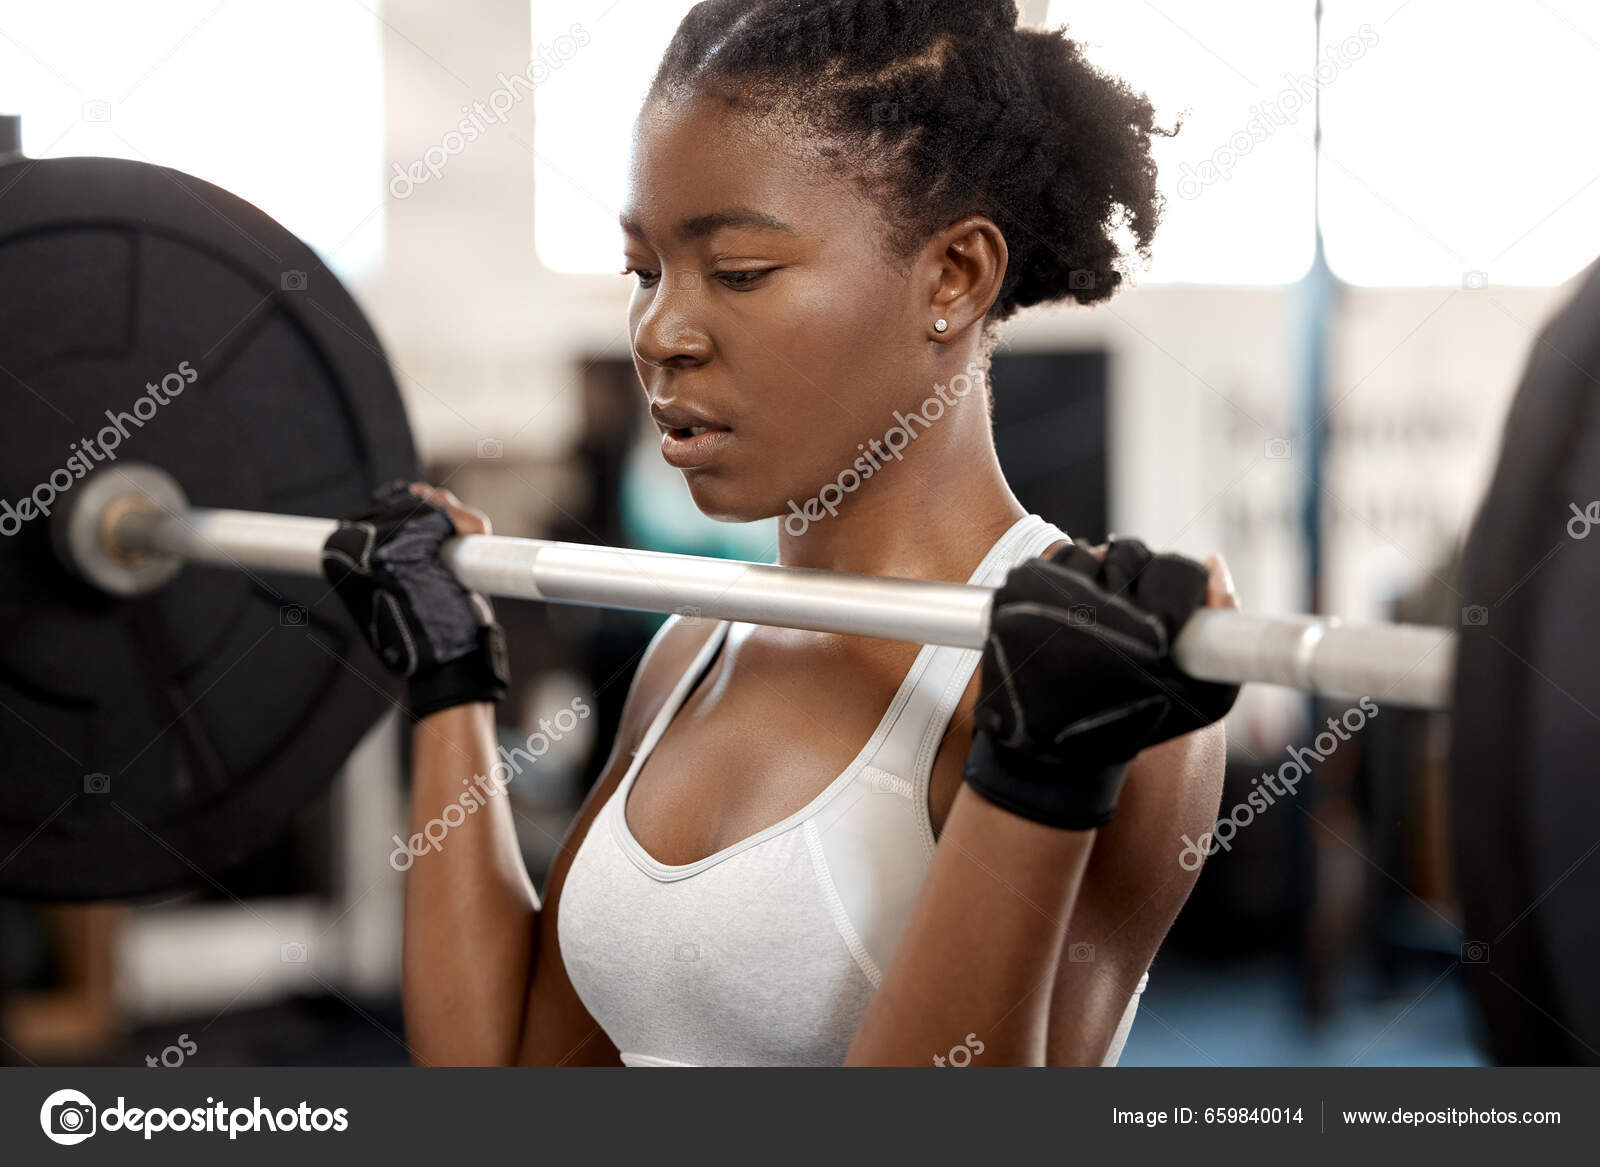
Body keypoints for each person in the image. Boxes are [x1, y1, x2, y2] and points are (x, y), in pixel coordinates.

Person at [321, 0, 1237, 1066]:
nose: (659, 332)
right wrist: (449, 689)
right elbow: (511, 1079)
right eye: (642, 270)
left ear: (953, 277)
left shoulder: (1099, 693)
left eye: (740, 272)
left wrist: (1037, 783)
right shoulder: (688, 652)